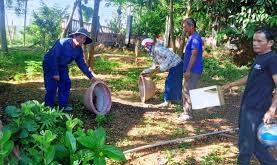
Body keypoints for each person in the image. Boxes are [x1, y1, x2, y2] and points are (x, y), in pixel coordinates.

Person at [222, 27, 277, 165]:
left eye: (259, 41)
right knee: (256, 144)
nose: (255, 43)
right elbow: (251, 76)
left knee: (246, 143)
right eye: (254, 40)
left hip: (257, 108)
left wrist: (272, 110)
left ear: (270, 43)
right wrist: (231, 84)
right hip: (248, 105)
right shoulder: (260, 57)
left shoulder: (272, 59)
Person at [43, 27, 97, 112]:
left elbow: (82, 64)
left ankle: (63, 106)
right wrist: (55, 73)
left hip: (63, 66)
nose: (82, 41)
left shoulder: (79, 50)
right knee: (51, 87)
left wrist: (91, 77)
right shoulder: (63, 42)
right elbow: (53, 57)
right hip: (50, 64)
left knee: (66, 83)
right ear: (75, 36)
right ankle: (48, 107)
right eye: (81, 37)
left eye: (84, 39)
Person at [141, 38, 183, 108]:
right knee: (175, 82)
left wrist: (163, 66)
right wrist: (147, 71)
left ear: (148, 45)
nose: (145, 49)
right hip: (174, 66)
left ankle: (167, 102)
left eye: (145, 47)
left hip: (177, 64)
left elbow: (170, 56)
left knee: (169, 82)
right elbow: (155, 65)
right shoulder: (153, 53)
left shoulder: (158, 49)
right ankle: (176, 99)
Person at [179, 18, 203, 121]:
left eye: (185, 27)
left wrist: (188, 70)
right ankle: (186, 111)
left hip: (193, 70)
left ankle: (188, 114)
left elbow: (194, 55)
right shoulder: (191, 37)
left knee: (188, 91)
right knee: (186, 90)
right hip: (190, 70)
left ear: (191, 26)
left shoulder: (196, 38)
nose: (184, 29)